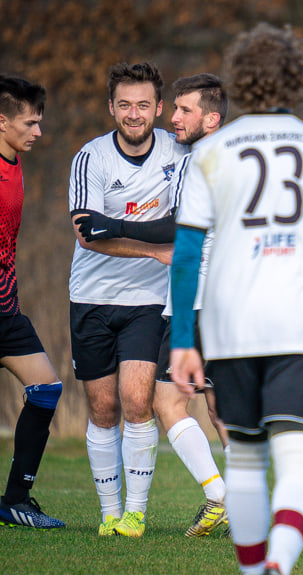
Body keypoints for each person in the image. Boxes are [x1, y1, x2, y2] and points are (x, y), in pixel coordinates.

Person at [169, 23, 303, 575]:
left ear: (242, 80)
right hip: (298, 324)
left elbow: (186, 257)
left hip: (230, 324)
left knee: (245, 458)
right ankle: (281, 561)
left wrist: (184, 342)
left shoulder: (209, 153)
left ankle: (254, 569)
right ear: (296, 80)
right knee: (297, 456)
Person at [77, 73, 232, 537]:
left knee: (166, 403)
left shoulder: (199, 157)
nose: (174, 120)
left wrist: (112, 225)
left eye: (184, 111)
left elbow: (179, 226)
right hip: (228, 299)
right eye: (177, 108)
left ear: (211, 118)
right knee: (221, 407)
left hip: (198, 300)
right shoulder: (232, 155)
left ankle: (221, 497)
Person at [69, 61, 185, 537]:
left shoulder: (179, 153)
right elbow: (85, 234)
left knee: (138, 402)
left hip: (148, 298)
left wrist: (121, 229)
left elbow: (181, 224)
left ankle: (135, 513)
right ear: (110, 108)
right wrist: (153, 248)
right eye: (124, 105)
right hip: (90, 295)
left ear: (158, 107)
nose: (133, 114)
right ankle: (108, 513)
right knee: (102, 410)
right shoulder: (90, 157)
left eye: (143, 105)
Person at [0, 76, 65, 530]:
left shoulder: (15, 162)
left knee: (46, 388)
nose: (38, 131)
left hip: (6, 311)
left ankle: (15, 500)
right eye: (30, 122)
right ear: (1, 121)